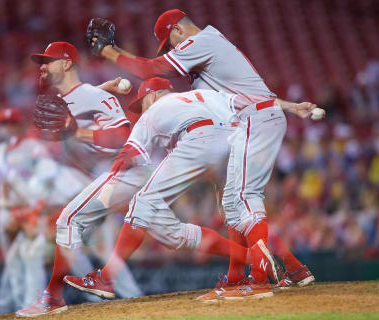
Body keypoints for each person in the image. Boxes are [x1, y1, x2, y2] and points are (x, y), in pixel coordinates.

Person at [87, 9, 315, 297]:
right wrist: (289, 106)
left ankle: (257, 279)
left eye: (170, 43)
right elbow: (242, 97)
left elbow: (149, 69)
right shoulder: (203, 71)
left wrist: (108, 51)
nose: (172, 49)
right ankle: (281, 271)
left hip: (253, 121)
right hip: (250, 118)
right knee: (234, 203)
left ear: (179, 31)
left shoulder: (202, 42)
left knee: (243, 199)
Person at [63, 77, 316, 300]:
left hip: (199, 139)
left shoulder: (154, 110)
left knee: (142, 202)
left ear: (151, 95)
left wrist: (108, 190)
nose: (142, 110)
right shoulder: (204, 95)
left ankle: (106, 277)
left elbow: (129, 154)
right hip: (235, 137)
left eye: (142, 104)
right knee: (238, 210)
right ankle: (291, 267)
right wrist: (290, 106)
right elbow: (250, 101)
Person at [15, 41, 145, 317]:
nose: (42, 67)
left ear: (66, 64)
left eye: (48, 61)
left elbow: (124, 136)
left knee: (69, 220)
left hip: (131, 168)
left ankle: (52, 297)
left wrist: (77, 131)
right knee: (168, 230)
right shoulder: (73, 99)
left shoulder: (89, 96)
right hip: (111, 174)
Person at [0, 108, 90, 313]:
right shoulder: (29, 177)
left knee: (68, 255)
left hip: (65, 222)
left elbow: (72, 198)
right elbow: (35, 203)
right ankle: (28, 304)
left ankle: (98, 296)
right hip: (46, 222)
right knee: (29, 254)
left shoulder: (54, 172)